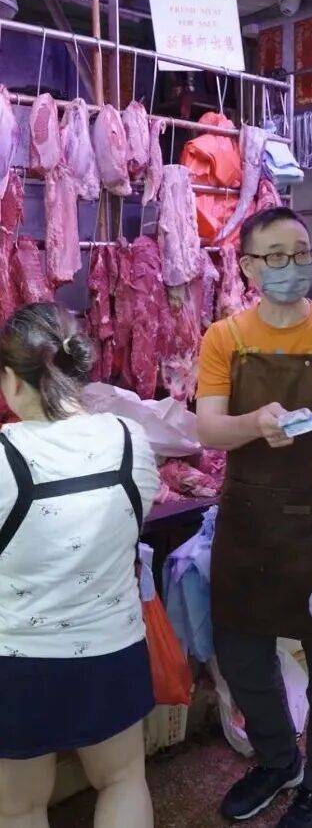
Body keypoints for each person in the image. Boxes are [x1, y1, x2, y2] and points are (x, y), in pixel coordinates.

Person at [197, 206, 312, 828]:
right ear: (248, 267)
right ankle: (278, 760)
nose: (291, 266)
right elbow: (208, 428)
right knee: (242, 655)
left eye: (301, 253)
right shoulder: (224, 337)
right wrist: (254, 423)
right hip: (248, 522)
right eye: (275, 256)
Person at [0, 303, 158, 828]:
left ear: (12, 380)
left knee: (19, 806)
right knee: (122, 780)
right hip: (112, 650)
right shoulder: (130, 440)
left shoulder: (3, 456)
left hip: (19, 661)